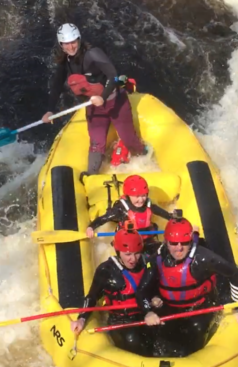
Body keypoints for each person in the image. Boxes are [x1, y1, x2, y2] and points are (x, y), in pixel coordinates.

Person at [42, 23, 145, 175]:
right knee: (96, 144)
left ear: (79, 39)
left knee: (129, 139)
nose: (70, 47)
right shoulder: (65, 62)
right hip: (94, 106)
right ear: (61, 44)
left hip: (115, 102)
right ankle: (91, 175)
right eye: (66, 44)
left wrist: (103, 97)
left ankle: (144, 155)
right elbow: (57, 85)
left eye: (73, 42)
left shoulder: (93, 54)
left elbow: (113, 76)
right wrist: (50, 109)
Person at [140, 216, 238, 357]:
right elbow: (142, 289)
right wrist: (148, 310)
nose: (179, 248)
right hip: (170, 308)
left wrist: (237, 306)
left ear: (190, 241)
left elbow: (234, 273)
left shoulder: (203, 258)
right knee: (158, 339)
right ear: (166, 242)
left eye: (184, 242)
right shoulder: (156, 259)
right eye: (174, 243)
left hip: (199, 308)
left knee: (194, 339)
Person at [70, 228, 161, 356]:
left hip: (147, 315)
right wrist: (81, 319)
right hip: (121, 321)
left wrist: (156, 298)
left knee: (163, 339)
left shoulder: (147, 263)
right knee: (134, 341)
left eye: (136, 253)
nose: (133, 259)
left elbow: (156, 287)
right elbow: (92, 297)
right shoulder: (106, 271)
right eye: (127, 254)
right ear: (118, 252)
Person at [86, 175, 171, 244]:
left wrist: (172, 218)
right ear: (128, 195)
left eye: (143, 195)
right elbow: (104, 218)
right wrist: (91, 227)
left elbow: (163, 214)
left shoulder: (149, 205)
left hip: (146, 239)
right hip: (128, 243)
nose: (141, 200)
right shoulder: (121, 209)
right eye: (137, 196)